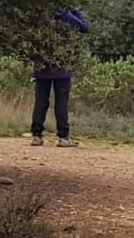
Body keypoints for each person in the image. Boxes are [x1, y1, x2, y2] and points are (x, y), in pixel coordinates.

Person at [29, 8, 90, 148]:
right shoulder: (66, 16)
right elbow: (85, 27)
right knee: (61, 102)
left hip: (42, 66)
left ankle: (36, 135)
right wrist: (74, 11)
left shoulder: (39, 14)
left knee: (40, 101)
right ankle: (63, 137)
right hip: (62, 67)